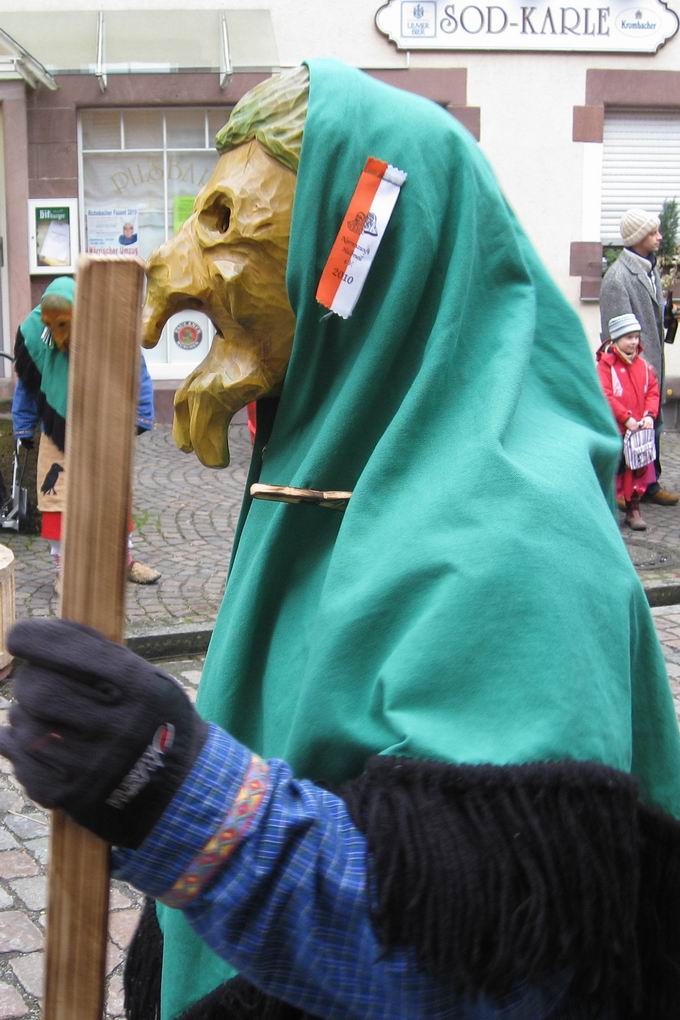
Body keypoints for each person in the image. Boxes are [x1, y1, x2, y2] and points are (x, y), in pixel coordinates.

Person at [3, 63, 680, 1020]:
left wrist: (170, 787)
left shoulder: (518, 537)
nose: (175, 270)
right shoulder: (323, 469)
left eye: (228, 226)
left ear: (359, 257)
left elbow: (483, 956)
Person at [12, 277, 161, 588]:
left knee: (113, 497)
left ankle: (124, 562)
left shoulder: (107, 325)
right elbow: (27, 384)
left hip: (103, 428)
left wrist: (141, 416)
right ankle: (64, 571)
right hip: (57, 434)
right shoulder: (34, 336)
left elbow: (136, 370)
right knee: (58, 501)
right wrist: (24, 425)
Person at [599, 207, 678, 507]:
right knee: (630, 428)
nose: (660, 237)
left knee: (652, 425)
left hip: (650, 367)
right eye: (653, 232)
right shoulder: (618, 277)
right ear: (637, 238)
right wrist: (629, 370)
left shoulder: (650, 268)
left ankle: (650, 482)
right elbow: (615, 333)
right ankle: (622, 488)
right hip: (631, 371)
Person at [596, 313, 660, 531]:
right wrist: (626, 417)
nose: (634, 342)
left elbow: (652, 390)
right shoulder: (606, 366)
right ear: (616, 340)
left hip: (638, 430)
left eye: (636, 337)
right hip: (615, 429)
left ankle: (634, 509)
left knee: (637, 469)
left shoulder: (643, 365)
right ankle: (606, 511)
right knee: (614, 470)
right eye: (628, 337)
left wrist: (649, 415)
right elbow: (606, 394)